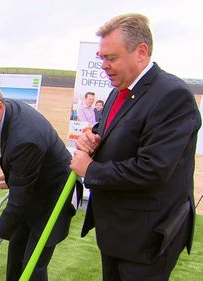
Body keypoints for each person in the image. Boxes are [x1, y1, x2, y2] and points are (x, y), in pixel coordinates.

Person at [70, 13, 201, 281]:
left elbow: (154, 168)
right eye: (102, 58)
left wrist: (91, 170)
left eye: (112, 58)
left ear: (141, 52)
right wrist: (91, 138)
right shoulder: (119, 91)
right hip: (118, 231)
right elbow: (111, 130)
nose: (104, 65)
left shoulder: (172, 96)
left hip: (147, 237)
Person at [0, 77, 77, 281]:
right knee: (16, 257)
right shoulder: (5, 112)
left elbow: (19, 200)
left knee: (32, 267)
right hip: (33, 189)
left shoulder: (25, 138)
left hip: (53, 198)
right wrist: (14, 177)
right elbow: (24, 173)